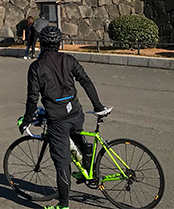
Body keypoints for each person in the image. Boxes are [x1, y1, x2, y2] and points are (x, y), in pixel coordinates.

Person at [20, 26, 110, 209]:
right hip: (76, 113)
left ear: (41, 43)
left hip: (57, 120)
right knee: (76, 136)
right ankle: (87, 169)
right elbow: (86, 81)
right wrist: (98, 106)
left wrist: (27, 120)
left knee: (61, 163)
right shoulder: (69, 59)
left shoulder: (36, 67)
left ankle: (63, 205)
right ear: (59, 42)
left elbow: (32, 97)